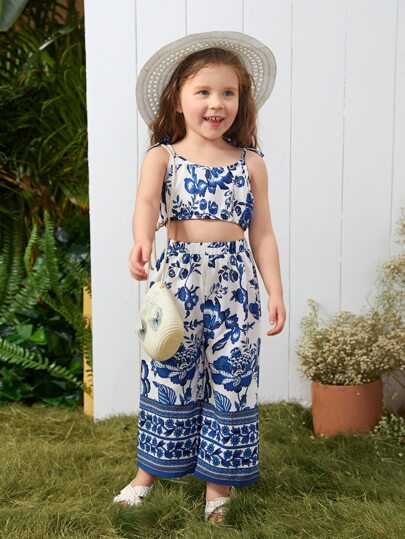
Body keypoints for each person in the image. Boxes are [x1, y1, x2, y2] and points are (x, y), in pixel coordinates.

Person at [113, 31, 286, 523]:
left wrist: (275, 290)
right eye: (204, 91)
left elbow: (263, 233)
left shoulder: (251, 164)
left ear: (241, 101)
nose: (216, 103)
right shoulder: (163, 156)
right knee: (169, 370)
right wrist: (142, 239)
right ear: (178, 100)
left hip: (236, 288)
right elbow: (146, 203)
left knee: (233, 375)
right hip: (179, 282)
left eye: (228, 92)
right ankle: (146, 474)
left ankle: (218, 489)